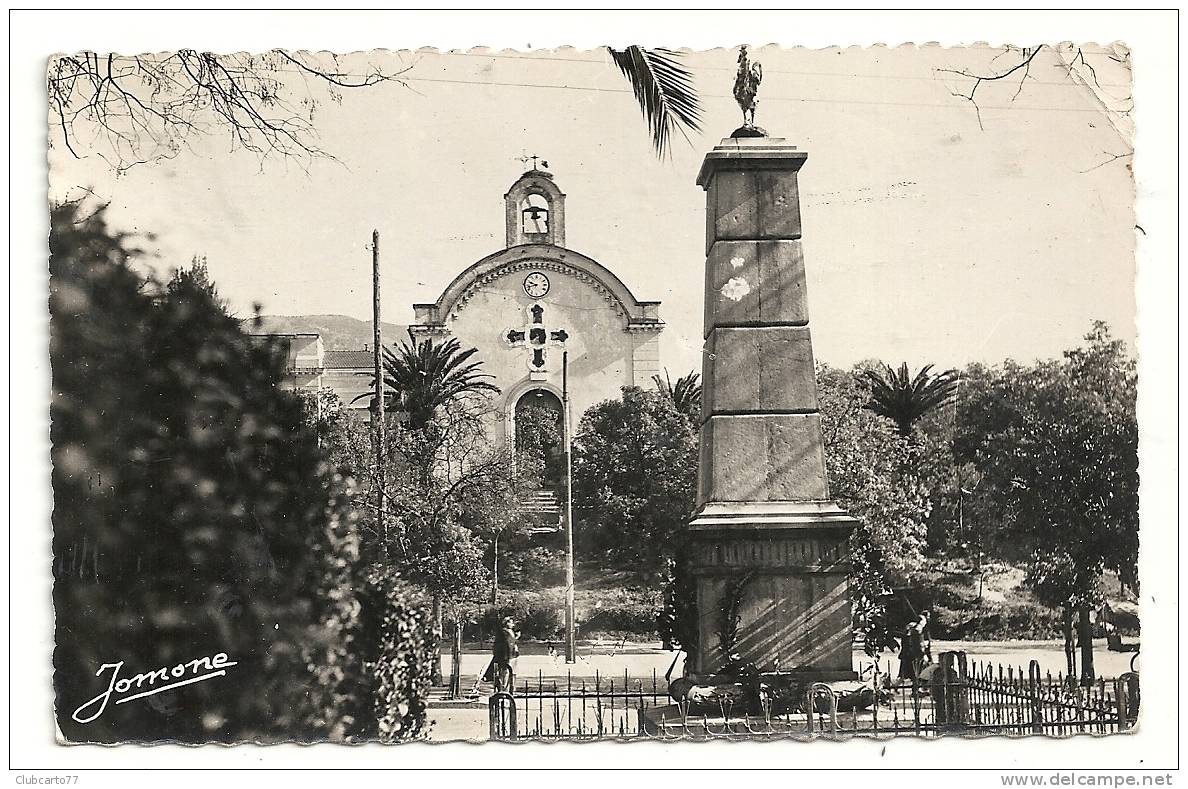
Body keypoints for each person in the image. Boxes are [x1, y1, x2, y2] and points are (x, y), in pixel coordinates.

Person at [898, 610, 932, 684]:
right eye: (927, 617)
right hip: (913, 655)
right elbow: (916, 642)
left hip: (914, 654)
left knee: (918, 675)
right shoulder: (915, 629)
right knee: (915, 674)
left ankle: (918, 687)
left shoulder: (921, 629)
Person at [491, 616, 520, 692]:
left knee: (512, 672)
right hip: (506, 656)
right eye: (511, 623)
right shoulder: (503, 632)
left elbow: (512, 642)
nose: (513, 624)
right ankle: (503, 688)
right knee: (505, 672)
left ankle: (511, 688)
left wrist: (516, 638)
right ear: (507, 623)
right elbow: (505, 645)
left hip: (513, 655)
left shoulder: (510, 631)